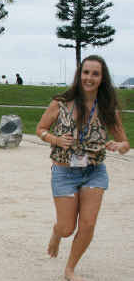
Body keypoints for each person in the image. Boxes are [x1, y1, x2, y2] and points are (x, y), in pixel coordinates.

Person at [36, 55, 130, 281]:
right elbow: (40, 129)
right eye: (86, 73)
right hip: (64, 172)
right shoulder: (61, 102)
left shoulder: (108, 108)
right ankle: (57, 233)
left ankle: (70, 269)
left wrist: (119, 145)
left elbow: (126, 143)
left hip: (94, 171)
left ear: (102, 78)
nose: (89, 78)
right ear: (80, 75)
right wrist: (56, 139)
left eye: (95, 74)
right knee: (67, 227)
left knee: (87, 224)